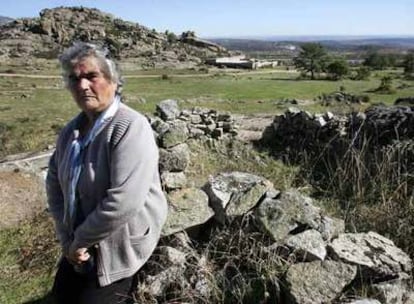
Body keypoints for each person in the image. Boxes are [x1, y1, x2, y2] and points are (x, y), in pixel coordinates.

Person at [46, 42, 168, 304]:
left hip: (117, 247)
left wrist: (78, 241)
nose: (82, 86)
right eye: (75, 79)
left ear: (113, 80)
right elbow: (54, 183)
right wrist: (66, 238)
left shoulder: (130, 126)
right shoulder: (71, 131)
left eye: (91, 76)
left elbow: (124, 200)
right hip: (77, 245)